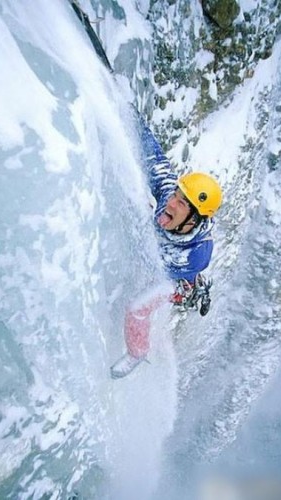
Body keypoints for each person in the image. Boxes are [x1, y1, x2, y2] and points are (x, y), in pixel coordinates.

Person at [110, 117, 223, 378]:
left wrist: (140, 217)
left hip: (170, 276)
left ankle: (137, 354)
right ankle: (196, 288)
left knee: (137, 309)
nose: (171, 203)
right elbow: (156, 161)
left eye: (181, 204)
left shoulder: (196, 254)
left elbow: (152, 265)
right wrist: (130, 115)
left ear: (194, 219)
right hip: (169, 257)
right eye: (175, 196)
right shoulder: (169, 200)